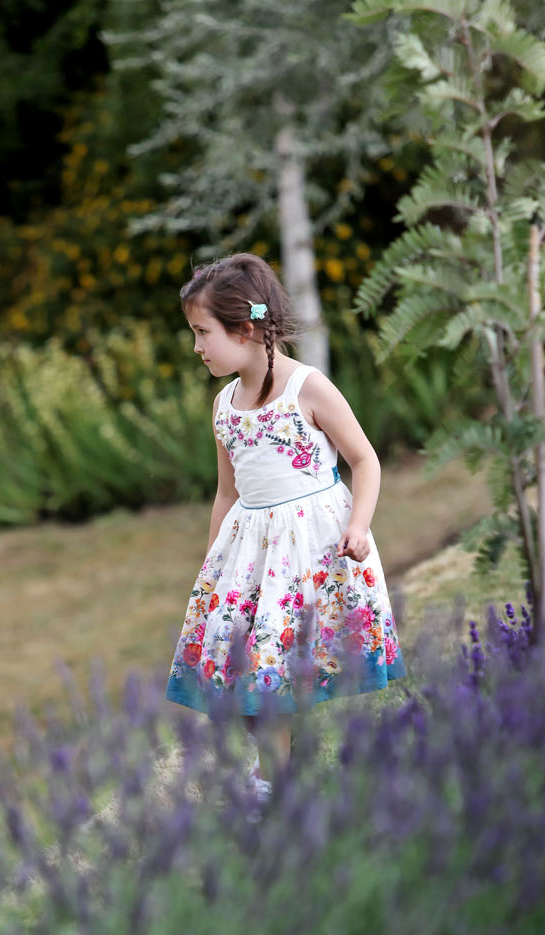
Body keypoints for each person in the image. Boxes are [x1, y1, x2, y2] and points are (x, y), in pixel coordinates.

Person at [165, 252, 405, 802]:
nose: (197, 347)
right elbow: (228, 491)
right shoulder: (225, 405)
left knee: (269, 682)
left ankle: (277, 784)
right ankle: (281, 773)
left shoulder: (308, 389)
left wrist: (360, 525)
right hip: (249, 556)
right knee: (243, 675)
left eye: (203, 333)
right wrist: (213, 568)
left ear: (245, 329)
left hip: (309, 553)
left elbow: (364, 460)